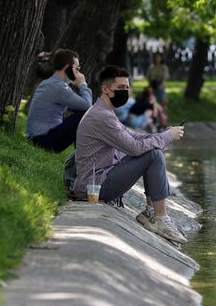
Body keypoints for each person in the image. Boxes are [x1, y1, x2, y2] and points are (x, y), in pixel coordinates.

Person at [73, 65, 187, 244]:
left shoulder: (105, 112)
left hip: (99, 181)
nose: (125, 92)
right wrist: (166, 137)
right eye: (120, 88)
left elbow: (133, 136)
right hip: (95, 187)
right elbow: (134, 147)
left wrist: (162, 135)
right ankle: (160, 218)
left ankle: (151, 213)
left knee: (152, 151)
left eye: (127, 88)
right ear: (105, 89)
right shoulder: (102, 116)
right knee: (154, 155)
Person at [26, 49, 91, 152]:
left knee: (82, 113)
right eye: (77, 68)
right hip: (43, 141)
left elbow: (80, 106)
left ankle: (80, 155)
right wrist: (82, 84)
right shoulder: (58, 87)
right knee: (86, 115)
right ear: (67, 67)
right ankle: (82, 156)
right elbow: (87, 106)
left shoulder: (52, 83)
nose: (78, 73)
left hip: (39, 138)